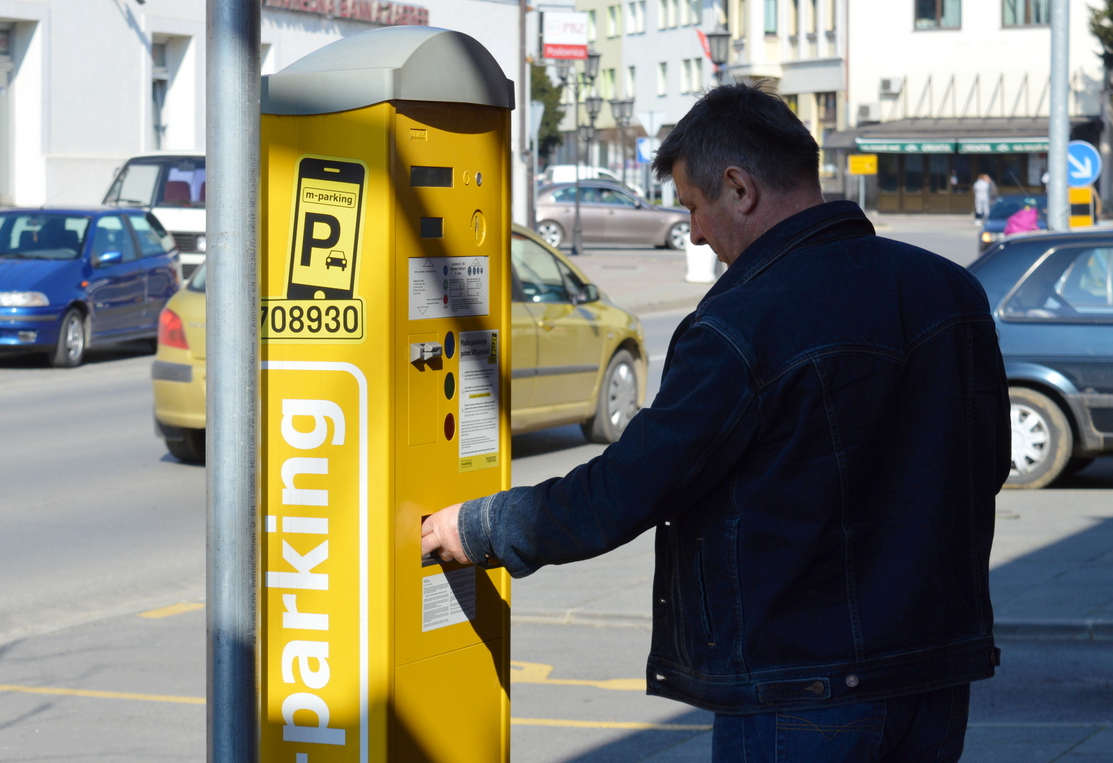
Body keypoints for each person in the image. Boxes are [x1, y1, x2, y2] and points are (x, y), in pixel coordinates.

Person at [422, 83, 1010, 763]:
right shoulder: (950, 290)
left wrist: (484, 526)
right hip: (934, 675)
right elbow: (985, 460)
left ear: (739, 188)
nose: (694, 231)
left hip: (797, 686)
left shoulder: (741, 322)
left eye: (693, 207)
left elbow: (632, 484)